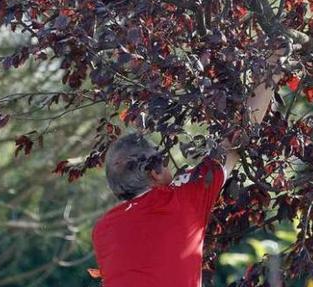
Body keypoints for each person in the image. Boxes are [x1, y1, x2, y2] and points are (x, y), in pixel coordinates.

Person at [91, 47, 288, 287]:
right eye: (160, 159)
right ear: (153, 172)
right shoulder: (180, 200)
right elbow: (236, 140)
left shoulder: (103, 230)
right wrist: (273, 68)